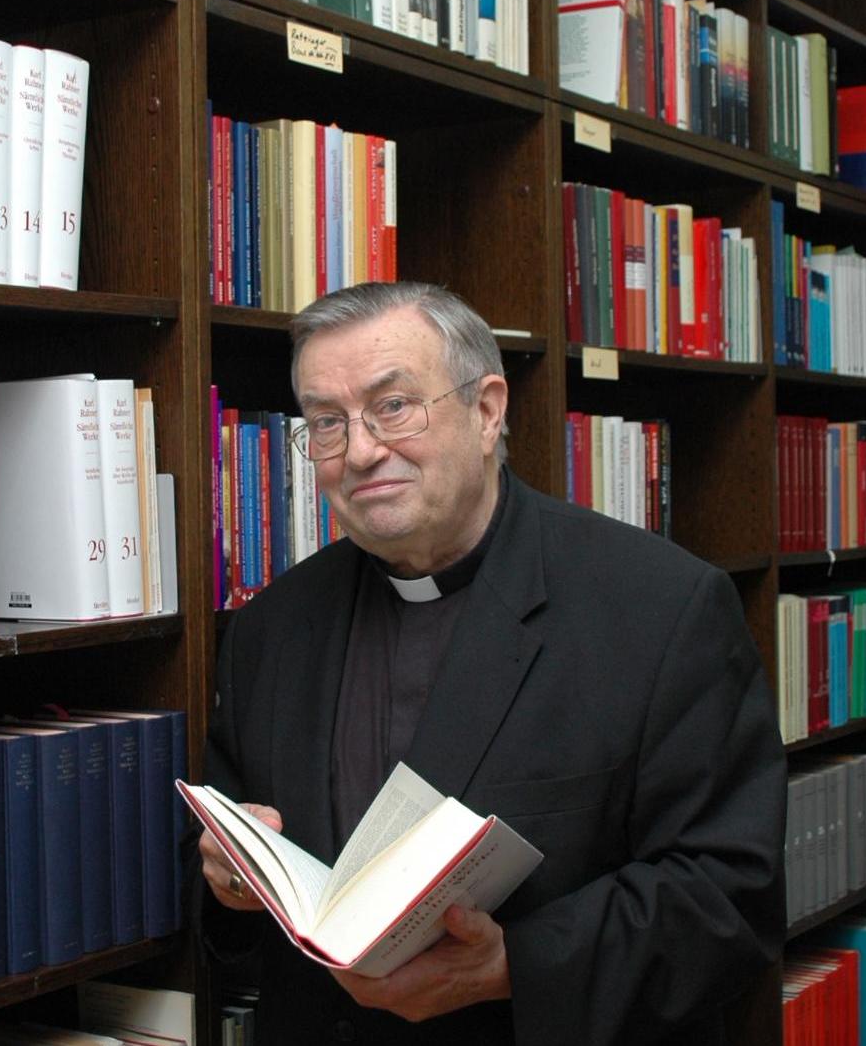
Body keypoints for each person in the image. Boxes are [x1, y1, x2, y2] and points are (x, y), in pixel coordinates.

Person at [198, 281, 785, 1044]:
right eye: (327, 423)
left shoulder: (662, 609)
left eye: (393, 405)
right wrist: (225, 877)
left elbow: (729, 895)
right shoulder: (270, 628)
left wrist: (516, 962)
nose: (363, 449)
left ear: (486, 409)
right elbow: (226, 861)